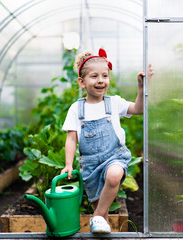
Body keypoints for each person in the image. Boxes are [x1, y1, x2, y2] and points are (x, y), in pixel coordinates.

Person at [61, 48, 153, 234]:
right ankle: (101, 223)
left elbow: (138, 108)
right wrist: (68, 164)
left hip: (114, 157)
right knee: (103, 218)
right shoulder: (76, 109)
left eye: (105, 75)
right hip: (90, 165)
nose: (101, 80)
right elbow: (71, 139)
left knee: (113, 176)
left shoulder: (114, 102)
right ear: (82, 82)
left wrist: (141, 87)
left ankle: (95, 217)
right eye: (94, 76)